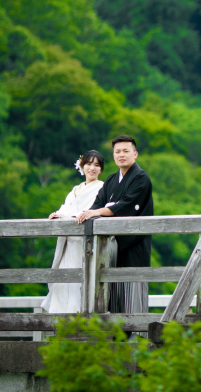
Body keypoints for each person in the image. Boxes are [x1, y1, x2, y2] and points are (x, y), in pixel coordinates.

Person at [78, 135, 153, 316]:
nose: (121, 155)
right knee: (111, 291)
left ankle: (135, 332)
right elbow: (96, 205)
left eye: (126, 151)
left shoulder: (141, 178)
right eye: (117, 152)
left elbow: (127, 205)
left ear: (135, 154)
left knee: (131, 290)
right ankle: (116, 335)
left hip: (133, 243)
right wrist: (90, 212)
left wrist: (100, 211)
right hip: (111, 246)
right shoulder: (111, 180)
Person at [41, 150, 106, 313]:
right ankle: (61, 318)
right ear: (82, 167)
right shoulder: (76, 189)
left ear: (101, 169)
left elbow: (91, 210)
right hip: (68, 240)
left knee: (82, 281)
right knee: (63, 280)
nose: (92, 168)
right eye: (89, 164)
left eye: (96, 165)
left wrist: (66, 216)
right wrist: (57, 214)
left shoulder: (102, 188)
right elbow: (66, 207)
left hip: (85, 240)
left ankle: (81, 318)